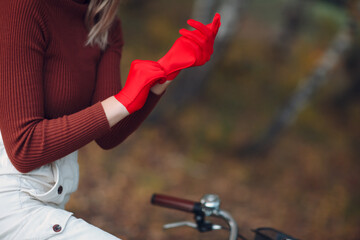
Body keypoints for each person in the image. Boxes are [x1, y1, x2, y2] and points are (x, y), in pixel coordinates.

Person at [0, 0, 221, 239]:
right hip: (11, 200)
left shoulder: (104, 20)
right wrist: (124, 99)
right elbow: (25, 147)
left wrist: (166, 70)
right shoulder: (20, 7)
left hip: (50, 203)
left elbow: (108, 134)